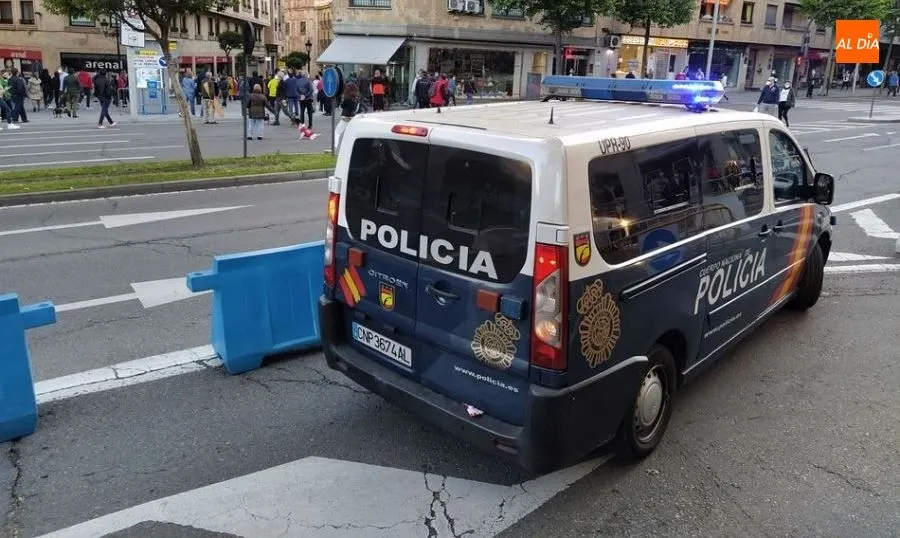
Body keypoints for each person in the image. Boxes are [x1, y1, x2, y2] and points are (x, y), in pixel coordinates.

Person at [334, 81, 360, 152]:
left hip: (345, 117)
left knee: (337, 132)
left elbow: (342, 106)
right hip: (353, 117)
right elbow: (357, 108)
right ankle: (351, 148)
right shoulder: (356, 98)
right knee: (350, 133)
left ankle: (335, 147)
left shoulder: (347, 98)